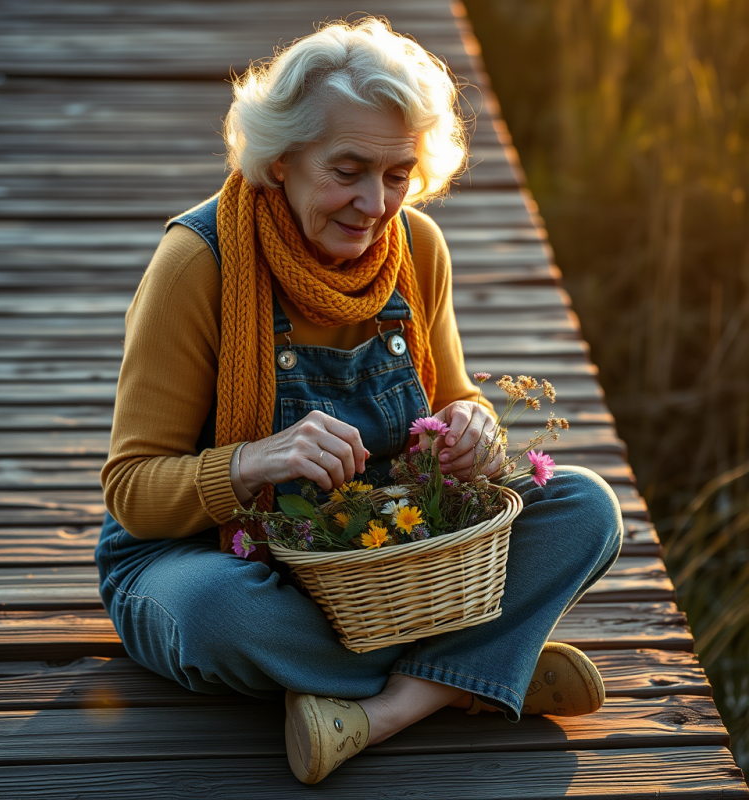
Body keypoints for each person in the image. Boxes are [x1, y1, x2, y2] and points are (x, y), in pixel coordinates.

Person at [95, 17, 623, 785]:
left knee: (585, 508)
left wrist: (473, 424)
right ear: (281, 160)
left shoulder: (418, 250)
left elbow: (454, 395)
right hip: (211, 557)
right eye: (348, 169)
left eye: (398, 174)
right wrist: (250, 461)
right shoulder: (198, 264)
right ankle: (476, 673)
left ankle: (389, 709)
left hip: (374, 557)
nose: (375, 203)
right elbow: (132, 492)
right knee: (216, 615)